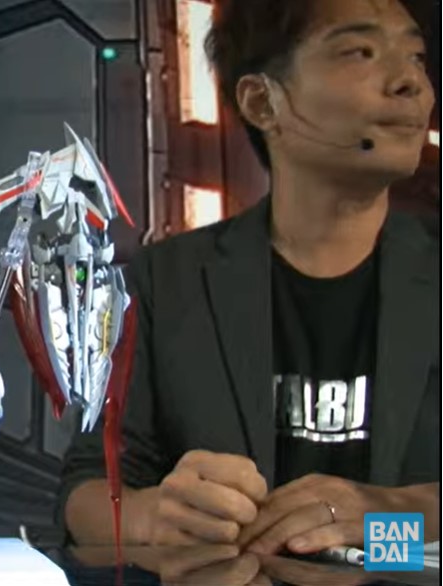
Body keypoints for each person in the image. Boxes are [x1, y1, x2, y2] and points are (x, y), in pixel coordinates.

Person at [60, 0, 439, 556]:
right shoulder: (163, 284)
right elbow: (86, 494)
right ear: (262, 101)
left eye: (417, 56)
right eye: (360, 51)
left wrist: (388, 531)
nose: (413, 84)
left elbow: (417, 545)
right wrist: (153, 517)